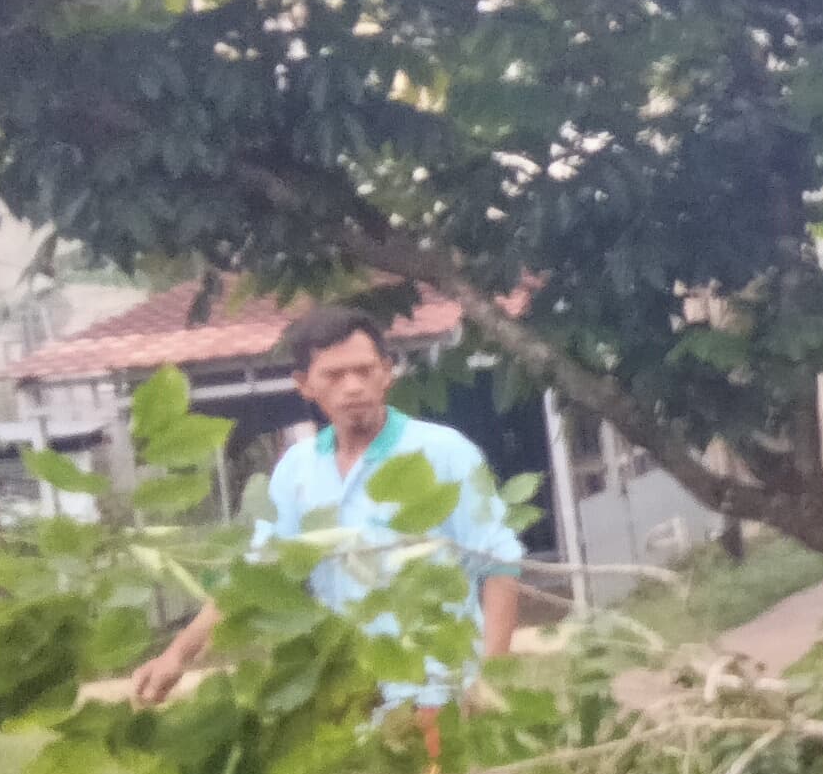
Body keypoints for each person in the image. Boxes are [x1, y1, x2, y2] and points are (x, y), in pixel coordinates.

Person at [127, 302, 526, 712]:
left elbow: (499, 564)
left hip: (436, 688)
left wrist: (486, 678)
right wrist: (177, 655)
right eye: (334, 375)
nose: (353, 386)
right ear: (304, 384)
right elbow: (259, 574)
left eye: (365, 370)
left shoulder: (445, 452)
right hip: (342, 693)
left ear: (387, 372)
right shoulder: (297, 470)